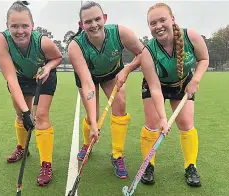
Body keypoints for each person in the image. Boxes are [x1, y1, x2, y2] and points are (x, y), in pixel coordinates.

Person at [67, 1, 169, 179]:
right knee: (94, 116)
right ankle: (87, 143)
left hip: (112, 74)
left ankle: (117, 155)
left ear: (104, 18)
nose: (94, 24)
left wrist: (127, 69)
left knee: (120, 107)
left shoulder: (121, 33)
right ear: (81, 24)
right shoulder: (75, 46)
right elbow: (88, 83)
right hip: (88, 78)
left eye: (97, 19)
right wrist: (93, 122)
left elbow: (143, 53)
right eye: (88, 22)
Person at [139, 2, 209, 187]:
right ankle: (148, 165)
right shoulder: (148, 52)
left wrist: (196, 80)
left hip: (183, 83)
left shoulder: (190, 36)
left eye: (162, 20)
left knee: (186, 124)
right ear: (149, 27)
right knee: (153, 124)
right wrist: (163, 118)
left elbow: (204, 59)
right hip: (157, 85)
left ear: (172, 19)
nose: (158, 26)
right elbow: (154, 88)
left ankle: (190, 166)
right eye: (153, 23)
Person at [0, 1, 62, 186]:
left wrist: (47, 67)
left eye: (25, 25)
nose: (20, 31)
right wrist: (25, 113)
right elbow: (11, 79)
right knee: (20, 114)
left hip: (44, 75)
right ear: (7, 27)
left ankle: (46, 164)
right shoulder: (2, 40)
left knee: (40, 117)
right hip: (20, 78)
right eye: (14, 26)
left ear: (32, 25)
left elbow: (57, 57)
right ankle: (23, 148)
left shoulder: (43, 42)